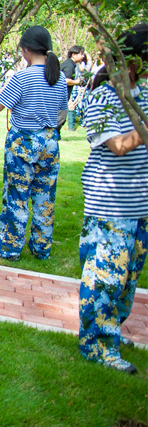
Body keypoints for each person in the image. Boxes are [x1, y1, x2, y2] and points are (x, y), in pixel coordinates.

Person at [77, 23, 147, 375]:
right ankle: (96, 344)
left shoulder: (145, 93)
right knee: (105, 277)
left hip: (140, 205)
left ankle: (112, 331)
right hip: (112, 203)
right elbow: (118, 146)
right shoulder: (102, 97)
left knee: (129, 277)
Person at [0, 26, 68, 261]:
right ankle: (41, 248)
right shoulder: (59, 77)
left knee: (17, 195)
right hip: (50, 141)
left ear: (25, 49)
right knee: (45, 197)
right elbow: (62, 111)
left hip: (23, 140)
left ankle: (10, 248)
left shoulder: (22, 77)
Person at [61, 45, 86, 131]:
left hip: (62, 97)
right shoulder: (69, 66)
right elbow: (65, 81)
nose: (83, 56)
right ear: (74, 55)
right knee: (60, 119)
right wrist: (77, 82)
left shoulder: (70, 64)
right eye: (81, 54)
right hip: (60, 98)